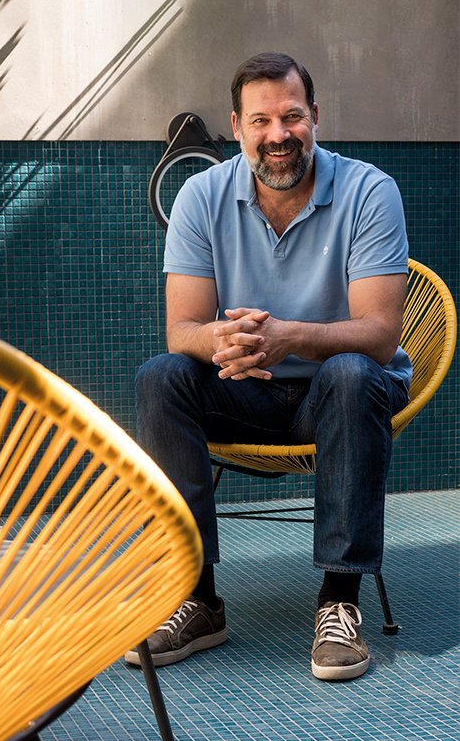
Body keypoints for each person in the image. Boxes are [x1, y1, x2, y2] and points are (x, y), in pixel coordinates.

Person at [125, 52, 411, 681]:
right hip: (247, 389)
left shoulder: (369, 191)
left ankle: (339, 600)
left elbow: (380, 335)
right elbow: (182, 331)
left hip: (339, 393)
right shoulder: (201, 195)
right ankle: (196, 598)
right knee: (161, 376)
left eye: (292, 116)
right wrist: (223, 341)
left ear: (316, 117)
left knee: (352, 372)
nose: (278, 135)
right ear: (237, 127)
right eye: (261, 121)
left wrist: (290, 338)